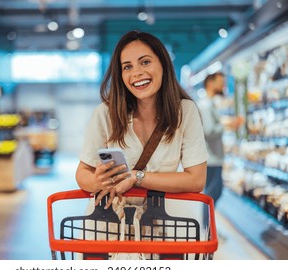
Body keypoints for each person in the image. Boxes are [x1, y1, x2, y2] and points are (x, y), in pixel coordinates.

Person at [75, 30, 209, 217]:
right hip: (108, 226)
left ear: (163, 64)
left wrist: (137, 178)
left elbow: (196, 180)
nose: (137, 73)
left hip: (159, 225)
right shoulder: (106, 113)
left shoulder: (185, 112)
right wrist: (98, 181)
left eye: (145, 62)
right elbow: (82, 173)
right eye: (127, 67)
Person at [197, 72, 240, 228]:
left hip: (211, 156)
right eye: (220, 82)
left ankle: (206, 226)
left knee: (213, 192)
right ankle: (206, 228)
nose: (223, 86)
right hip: (212, 157)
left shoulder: (208, 104)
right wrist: (228, 125)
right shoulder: (206, 105)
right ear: (210, 83)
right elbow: (209, 130)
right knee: (212, 194)